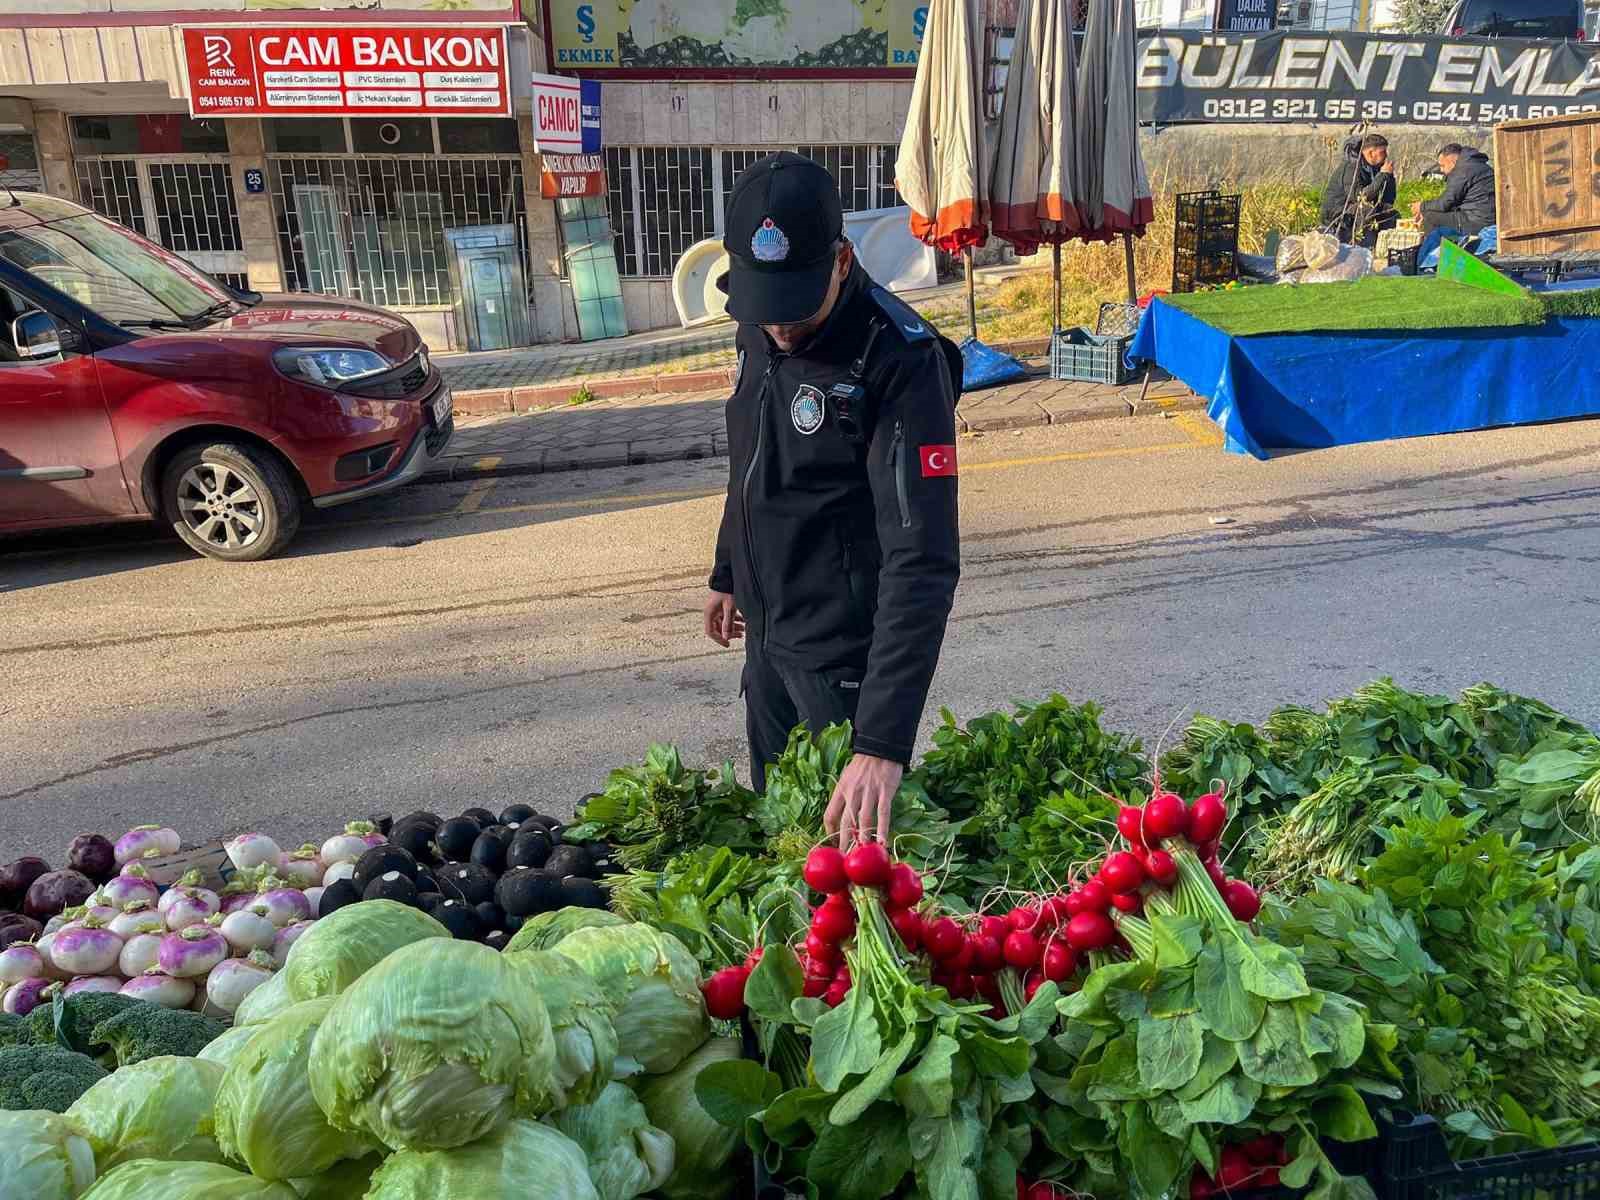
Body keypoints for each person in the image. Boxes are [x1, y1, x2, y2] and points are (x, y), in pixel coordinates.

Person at [702, 151, 963, 848]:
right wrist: (730, 569)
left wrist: (881, 741)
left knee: (846, 875)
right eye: (766, 305)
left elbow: (924, 558)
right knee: (778, 847)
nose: (779, 328)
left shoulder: (902, 361)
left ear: (842, 260)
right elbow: (752, 452)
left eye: (795, 305)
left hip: (844, 668)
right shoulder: (760, 320)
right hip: (768, 642)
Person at [1412, 143, 1497, 265]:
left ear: (1452, 161)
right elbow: (1454, 202)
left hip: (1475, 221)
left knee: (1430, 218)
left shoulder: (1463, 171)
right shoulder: (1478, 165)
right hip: (1483, 217)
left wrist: (1421, 206)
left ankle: (1428, 263)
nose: (1441, 170)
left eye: (1442, 166)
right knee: (1434, 214)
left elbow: (1445, 203)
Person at [1319, 133, 1397, 248]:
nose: (1386, 155)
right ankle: (1364, 248)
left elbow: (1388, 200)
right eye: (1382, 152)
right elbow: (1360, 197)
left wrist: (1388, 177)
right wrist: (1383, 175)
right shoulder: (1352, 168)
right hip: (1338, 211)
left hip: (1357, 207)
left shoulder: (1374, 168)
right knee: (1366, 211)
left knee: (1390, 213)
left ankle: (1385, 248)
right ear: (1371, 153)